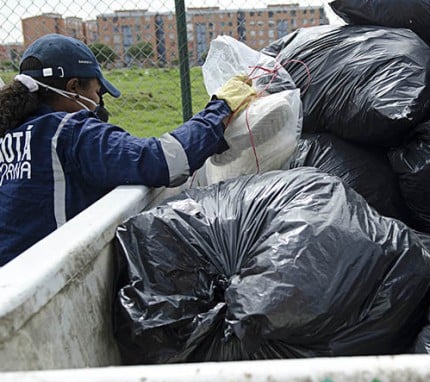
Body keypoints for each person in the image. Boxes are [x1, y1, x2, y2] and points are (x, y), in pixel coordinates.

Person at [0, 33, 258, 266]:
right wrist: (221, 107)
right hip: (47, 283)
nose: (99, 103)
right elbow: (164, 160)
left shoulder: (11, 132)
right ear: (73, 87)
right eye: (98, 92)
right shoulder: (68, 132)